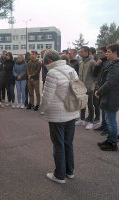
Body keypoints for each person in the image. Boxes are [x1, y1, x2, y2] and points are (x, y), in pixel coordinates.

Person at [40, 49, 78, 184]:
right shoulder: (71, 69)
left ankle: (59, 175)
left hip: (57, 114)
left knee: (58, 144)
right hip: (71, 111)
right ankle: (70, 171)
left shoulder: (52, 73)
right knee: (68, 143)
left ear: (50, 61)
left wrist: (41, 109)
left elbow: (47, 96)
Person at [95, 43, 119, 151]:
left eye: (108, 52)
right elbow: (103, 78)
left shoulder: (118, 65)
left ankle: (113, 143)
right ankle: (110, 139)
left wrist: (99, 91)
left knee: (111, 121)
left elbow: (110, 82)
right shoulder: (112, 63)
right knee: (108, 120)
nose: (106, 53)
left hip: (111, 97)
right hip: (108, 96)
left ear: (115, 53)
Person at [75, 46, 96, 130]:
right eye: (80, 51)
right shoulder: (80, 62)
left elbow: (96, 75)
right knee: (82, 103)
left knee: (90, 105)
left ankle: (91, 122)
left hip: (89, 87)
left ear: (87, 52)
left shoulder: (92, 62)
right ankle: (82, 119)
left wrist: (93, 85)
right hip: (81, 87)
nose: (80, 53)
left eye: (82, 51)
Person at [93, 46, 110, 135]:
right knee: (101, 107)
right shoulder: (101, 62)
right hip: (99, 86)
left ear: (105, 53)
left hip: (104, 87)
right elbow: (95, 74)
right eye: (98, 53)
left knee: (106, 108)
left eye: (101, 53)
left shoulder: (108, 62)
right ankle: (103, 125)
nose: (99, 55)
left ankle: (107, 127)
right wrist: (97, 65)